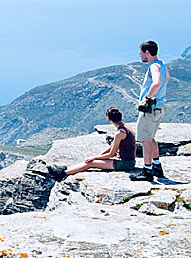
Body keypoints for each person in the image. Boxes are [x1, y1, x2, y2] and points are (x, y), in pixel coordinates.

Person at [130, 40, 169, 181]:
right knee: (151, 137)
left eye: (141, 53)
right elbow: (166, 80)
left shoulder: (153, 66)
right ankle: (157, 166)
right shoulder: (162, 64)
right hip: (159, 107)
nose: (140, 56)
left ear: (147, 52)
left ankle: (147, 171)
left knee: (145, 140)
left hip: (150, 108)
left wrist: (147, 97)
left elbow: (157, 82)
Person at [64, 107, 136, 176]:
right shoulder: (126, 127)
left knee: (90, 163)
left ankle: (63, 174)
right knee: (90, 160)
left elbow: (111, 154)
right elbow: (113, 146)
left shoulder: (120, 133)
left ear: (109, 119)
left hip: (125, 164)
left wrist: (95, 158)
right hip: (129, 161)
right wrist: (98, 156)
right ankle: (68, 170)